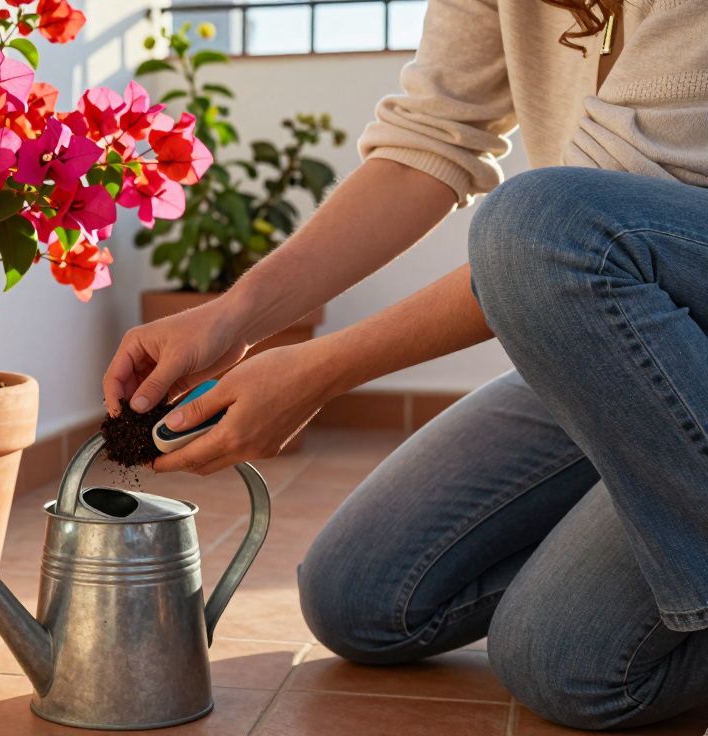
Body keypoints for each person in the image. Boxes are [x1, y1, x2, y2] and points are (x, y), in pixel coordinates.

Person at [102, 0, 708, 729]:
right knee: (359, 597)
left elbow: (563, 242)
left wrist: (317, 371)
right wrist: (235, 317)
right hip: (626, 349)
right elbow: (430, 137)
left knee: (571, 667)